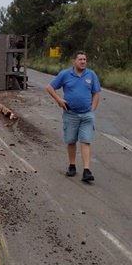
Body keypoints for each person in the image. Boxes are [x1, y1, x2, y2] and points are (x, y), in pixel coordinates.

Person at [46, 51, 101, 182]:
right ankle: (72, 165)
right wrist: (59, 100)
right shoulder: (65, 74)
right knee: (71, 140)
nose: (83, 62)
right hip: (71, 114)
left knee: (86, 140)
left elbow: (96, 93)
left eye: (85, 59)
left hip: (87, 114)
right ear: (74, 61)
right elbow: (50, 87)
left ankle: (87, 170)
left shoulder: (91, 75)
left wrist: (92, 109)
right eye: (80, 59)